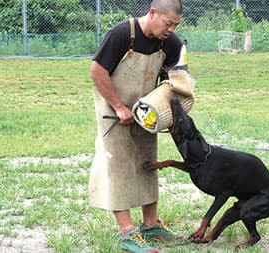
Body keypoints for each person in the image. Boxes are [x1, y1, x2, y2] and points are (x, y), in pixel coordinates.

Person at [89, 1, 184, 252]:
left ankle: (151, 225)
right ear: (153, 13)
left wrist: (164, 111)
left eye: (176, 25)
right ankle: (127, 232)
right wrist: (119, 107)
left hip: (145, 113)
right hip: (113, 110)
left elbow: (173, 80)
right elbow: (97, 72)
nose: (171, 29)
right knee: (119, 165)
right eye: (168, 23)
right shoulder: (122, 34)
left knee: (147, 163)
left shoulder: (171, 43)